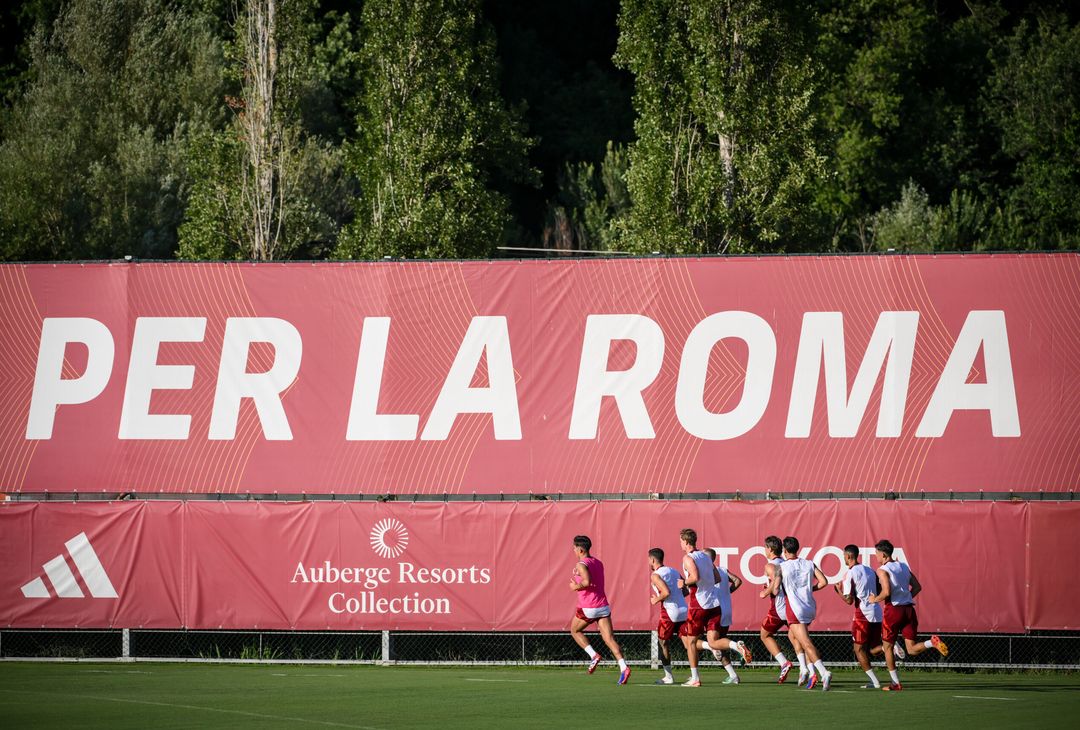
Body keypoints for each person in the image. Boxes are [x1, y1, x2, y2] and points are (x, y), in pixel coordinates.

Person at [867, 539, 949, 691]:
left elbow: (886, 592)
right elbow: (917, 587)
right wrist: (906, 597)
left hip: (893, 611)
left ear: (883, 555)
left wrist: (874, 600)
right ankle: (932, 642)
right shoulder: (903, 566)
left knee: (888, 648)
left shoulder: (882, 569)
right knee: (911, 649)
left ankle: (895, 683)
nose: (876, 556)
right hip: (909, 610)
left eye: (877, 554)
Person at [679, 528, 751, 687]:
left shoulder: (688, 558)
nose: (681, 544)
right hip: (714, 605)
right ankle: (735, 645)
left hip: (698, 604)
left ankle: (695, 678)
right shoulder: (705, 557)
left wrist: (683, 582)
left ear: (685, 541)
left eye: (681, 541)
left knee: (691, 642)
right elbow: (717, 577)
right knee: (713, 642)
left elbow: (695, 577)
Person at [769, 536, 832, 691]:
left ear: (784, 550)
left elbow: (776, 589)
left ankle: (823, 672)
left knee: (806, 643)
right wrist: (810, 590)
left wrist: (770, 589)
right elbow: (824, 582)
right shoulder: (809, 563)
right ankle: (805, 670)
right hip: (809, 607)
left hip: (794, 609)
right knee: (793, 636)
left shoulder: (782, 567)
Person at [569, 534, 631, 685]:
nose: (573, 550)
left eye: (574, 548)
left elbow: (587, 581)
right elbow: (592, 578)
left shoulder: (581, 564)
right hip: (603, 606)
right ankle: (624, 667)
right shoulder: (598, 562)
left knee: (574, 630)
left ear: (580, 549)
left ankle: (593, 655)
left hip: (589, 607)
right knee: (609, 639)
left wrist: (575, 586)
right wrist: (579, 574)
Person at [692, 547, 746, 685]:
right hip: (725, 611)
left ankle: (735, 648)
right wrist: (726, 593)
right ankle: (733, 675)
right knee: (716, 643)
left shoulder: (706, 570)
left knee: (701, 642)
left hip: (712, 609)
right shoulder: (722, 569)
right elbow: (738, 581)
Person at [836, 544, 886, 689]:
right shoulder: (869, 570)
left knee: (858, 650)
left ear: (849, 556)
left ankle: (876, 682)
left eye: (844, 556)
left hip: (862, 614)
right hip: (876, 612)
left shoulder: (850, 573)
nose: (844, 559)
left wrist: (838, 591)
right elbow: (880, 589)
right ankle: (888, 648)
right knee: (873, 649)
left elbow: (849, 600)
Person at [758, 535, 804, 684]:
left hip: (779, 607)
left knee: (765, 635)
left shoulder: (770, 565)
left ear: (770, 549)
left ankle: (784, 663)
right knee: (795, 637)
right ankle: (805, 669)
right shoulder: (785, 562)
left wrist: (767, 591)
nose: (764, 550)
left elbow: (776, 583)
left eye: (765, 547)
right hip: (792, 606)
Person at [648, 547, 687, 685]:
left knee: (663, 642)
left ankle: (668, 677)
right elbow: (686, 589)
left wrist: (656, 600)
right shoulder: (674, 571)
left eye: (649, 560)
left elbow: (666, 593)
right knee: (690, 644)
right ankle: (711, 647)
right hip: (683, 609)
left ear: (652, 560)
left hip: (670, 612)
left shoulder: (655, 575)